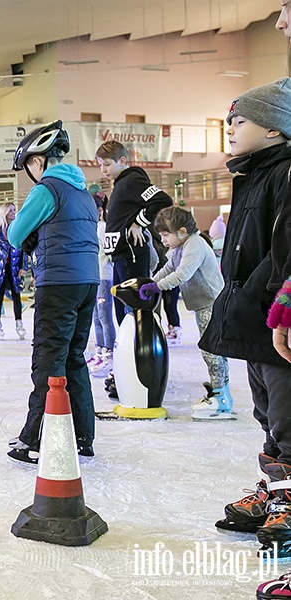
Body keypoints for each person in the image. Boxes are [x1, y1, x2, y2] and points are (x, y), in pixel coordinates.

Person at [198, 78, 291, 545]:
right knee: (267, 412)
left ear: (275, 129)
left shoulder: (287, 172)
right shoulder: (253, 175)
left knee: (289, 412)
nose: (230, 128)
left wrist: (282, 309)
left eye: (241, 120)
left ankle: (290, 499)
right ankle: (278, 490)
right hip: (256, 318)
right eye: (228, 121)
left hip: (279, 319)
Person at [6, 120, 99, 464]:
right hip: (88, 283)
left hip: (58, 284)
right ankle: (83, 437)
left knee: (48, 362)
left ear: (38, 160)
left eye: (28, 164)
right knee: (74, 359)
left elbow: (16, 236)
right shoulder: (84, 193)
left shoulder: (47, 189)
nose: (29, 172)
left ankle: (33, 439)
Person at [138, 207, 229, 420]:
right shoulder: (181, 246)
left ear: (182, 231)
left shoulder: (194, 244)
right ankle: (220, 392)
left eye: (165, 234)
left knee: (211, 350)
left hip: (211, 303)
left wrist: (156, 287)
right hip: (202, 304)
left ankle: (221, 396)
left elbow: (181, 274)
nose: (162, 239)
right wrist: (150, 281)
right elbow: (169, 267)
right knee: (212, 349)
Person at [95, 140, 173, 325]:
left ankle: (138, 347)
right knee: (122, 306)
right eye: (100, 165)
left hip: (132, 254)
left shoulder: (132, 180)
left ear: (122, 161)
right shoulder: (121, 184)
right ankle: (128, 347)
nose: (103, 170)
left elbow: (162, 199)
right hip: (121, 254)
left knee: (134, 306)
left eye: (107, 164)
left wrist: (139, 223)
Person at [86, 188, 117, 377]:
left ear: (98, 210)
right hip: (93, 276)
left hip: (104, 277)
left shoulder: (102, 227)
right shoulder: (91, 227)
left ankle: (109, 355)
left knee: (104, 317)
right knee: (95, 317)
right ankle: (100, 351)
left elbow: (110, 253)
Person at [0, 202, 27, 341]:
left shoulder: (18, 229)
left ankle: (19, 324)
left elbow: (23, 250)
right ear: (4, 213)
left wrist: (23, 267)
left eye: (14, 210)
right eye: (10, 211)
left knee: (17, 296)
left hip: (13, 269)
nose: (13, 213)